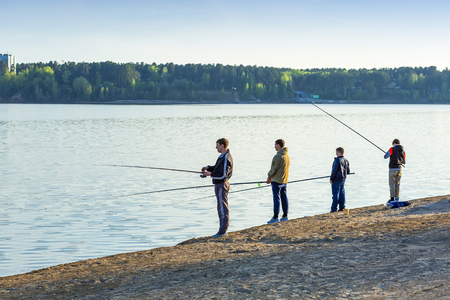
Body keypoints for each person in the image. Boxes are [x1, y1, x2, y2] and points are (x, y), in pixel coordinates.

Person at [202, 138, 233, 237]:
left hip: (222, 184)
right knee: (220, 207)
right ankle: (221, 230)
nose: (216, 147)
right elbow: (217, 168)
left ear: (222, 145)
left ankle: (223, 231)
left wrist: (210, 174)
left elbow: (223, 174)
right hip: (219, 184)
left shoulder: (226, 157)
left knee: (223, 208)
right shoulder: (222, 156)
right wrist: (208, 168)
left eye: (217, 145)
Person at [266, 139, 290, 224]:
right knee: (284, 197)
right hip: (284, 180)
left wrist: (269, 177)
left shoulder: (277, 156)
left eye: (275, 144)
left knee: (276, 199)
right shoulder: (287, 155)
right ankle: (285, 216)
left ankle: (275, 217)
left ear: (278, 145)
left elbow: (273, 169)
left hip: (276, 181)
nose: (274, 146)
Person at [329, 147, 350, 212]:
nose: (336, 154)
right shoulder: (346, 160)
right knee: (342, 193)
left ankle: (334, 209)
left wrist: (331, 178)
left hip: (336, 180)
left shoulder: (337, 160)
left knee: (335, 194)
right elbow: (348, 171)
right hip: (343, 179)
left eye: (337, 153)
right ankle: (342, 207)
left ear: (339, 152)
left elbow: (334, 170)